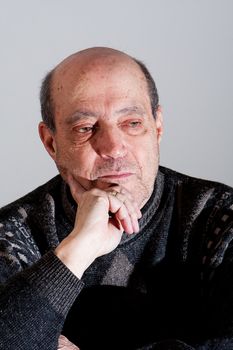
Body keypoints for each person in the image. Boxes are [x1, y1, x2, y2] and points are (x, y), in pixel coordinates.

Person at [0, 47, 233, 350]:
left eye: (132, 123)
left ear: (157, 126)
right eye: (85, 128)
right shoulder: (12, 233)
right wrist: (75, 252)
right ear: (51, 142)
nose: (112, 147)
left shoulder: (221, 217)